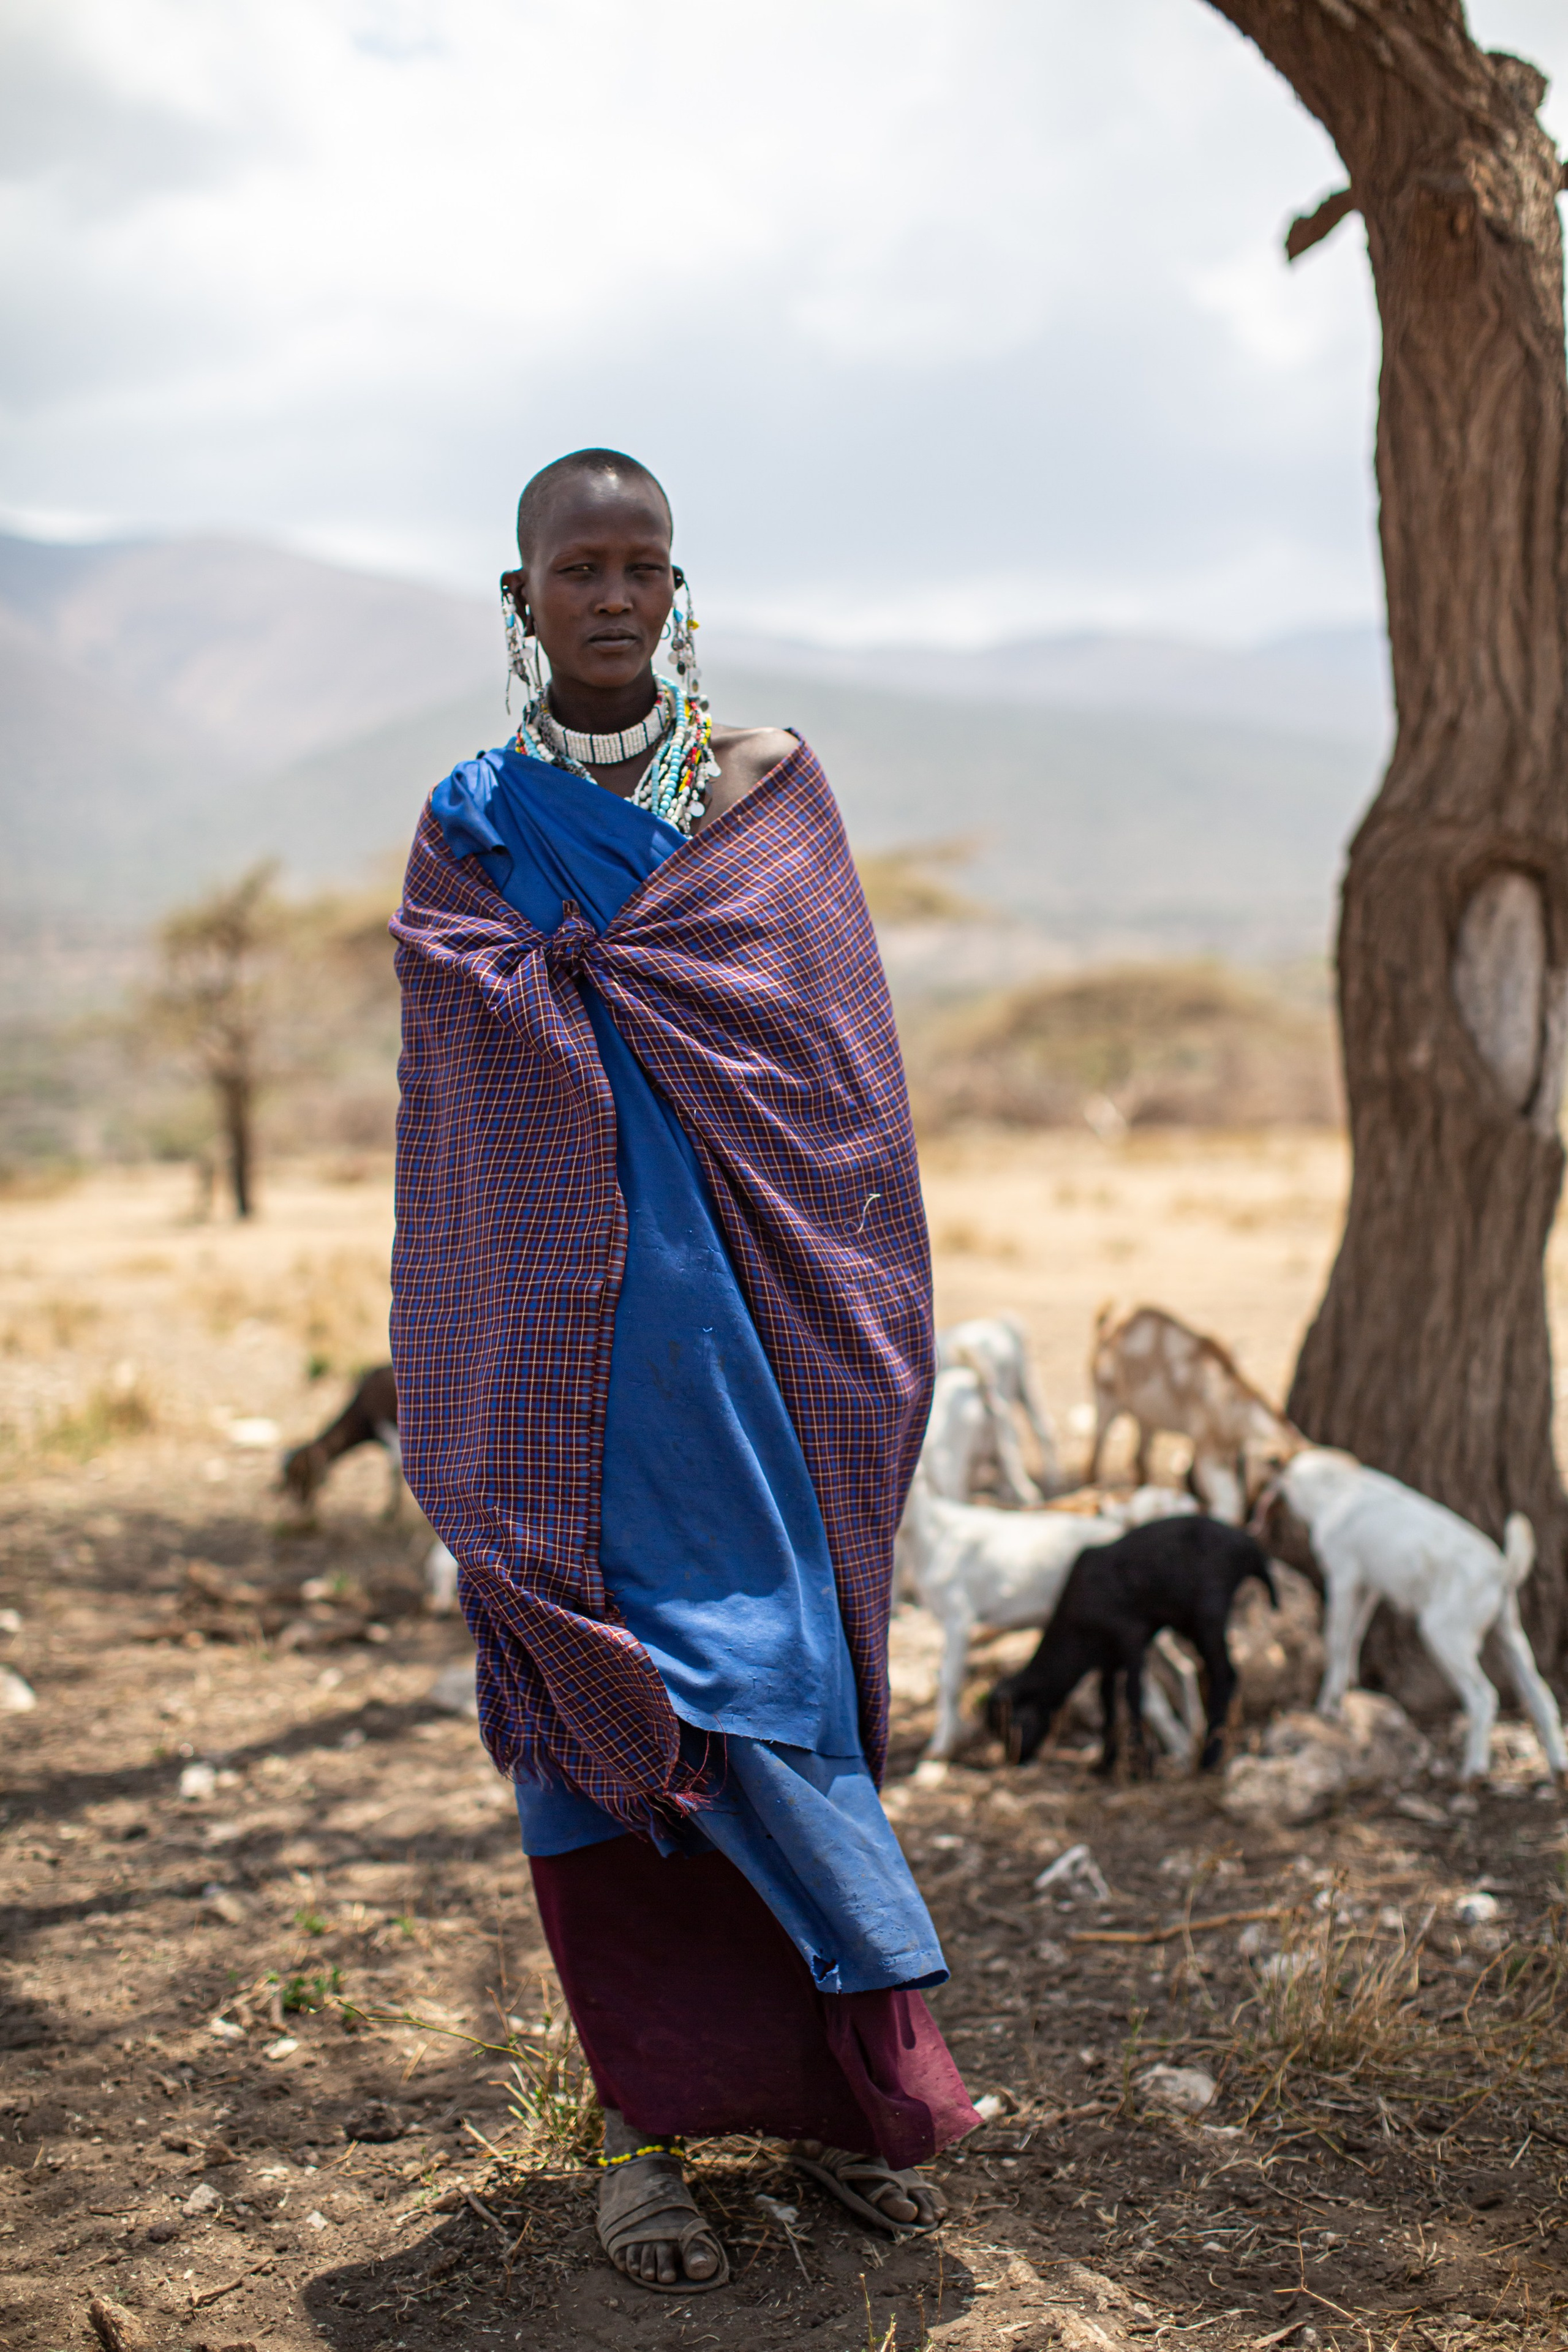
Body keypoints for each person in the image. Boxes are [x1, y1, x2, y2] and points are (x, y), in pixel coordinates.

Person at [390, 448, 979, 2296]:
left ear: (678, 587)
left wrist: (611, 980)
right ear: (524, 599)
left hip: (762, 1369)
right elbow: (458, 1107)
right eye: (581, 567)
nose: (615, 594)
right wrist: (559, 987)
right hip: (565, 1387)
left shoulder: (766, 798)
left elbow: (839, 1097)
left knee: (779, 1703)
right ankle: (637, 2146)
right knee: (597, 1718)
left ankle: (835, 2111)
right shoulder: (473, 823)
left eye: (645, 564)